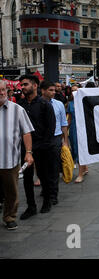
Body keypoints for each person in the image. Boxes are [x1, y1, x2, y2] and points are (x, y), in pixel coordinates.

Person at [18, 75, 56, 219]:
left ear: (35, 86)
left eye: (26, 84)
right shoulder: (20, 105)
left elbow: (50, 128)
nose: (23, 87)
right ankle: (31, 207)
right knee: (27, 178)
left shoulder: (44, 104)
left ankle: (47, 201)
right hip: (25, 148)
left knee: (44, 176)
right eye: (21, 85)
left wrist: (44, 146)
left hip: (42, 147)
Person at [0, 80, 35, 230]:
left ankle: (9, 217)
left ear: (7, 90)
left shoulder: (17, 109)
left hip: (9, 160)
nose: (0, 92)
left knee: (11, 192)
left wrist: (28, 152)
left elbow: (26, 131)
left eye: (2, 89)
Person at [40, 80, 69, 205]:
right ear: (43, 90)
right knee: (42, 167)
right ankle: (45, 188)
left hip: (55, 138)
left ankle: (53, 194)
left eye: (54, 90)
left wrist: (65, 141)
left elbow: (64, 124)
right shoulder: (38, 104)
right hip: (40, 139)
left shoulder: (59, 104)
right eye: (50, 90)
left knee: (54, 167)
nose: (53, 92)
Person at [67, 84, 89, 183]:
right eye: (72, 90)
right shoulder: (70, 103)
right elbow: (69, 118)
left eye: (76, 90)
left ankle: (80, 174)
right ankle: (85, 168)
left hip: (83, 128)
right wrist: (64, 131)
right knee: (75, 149)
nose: (74, 92)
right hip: (73, 129)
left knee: (81, 149)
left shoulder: (84, 102)